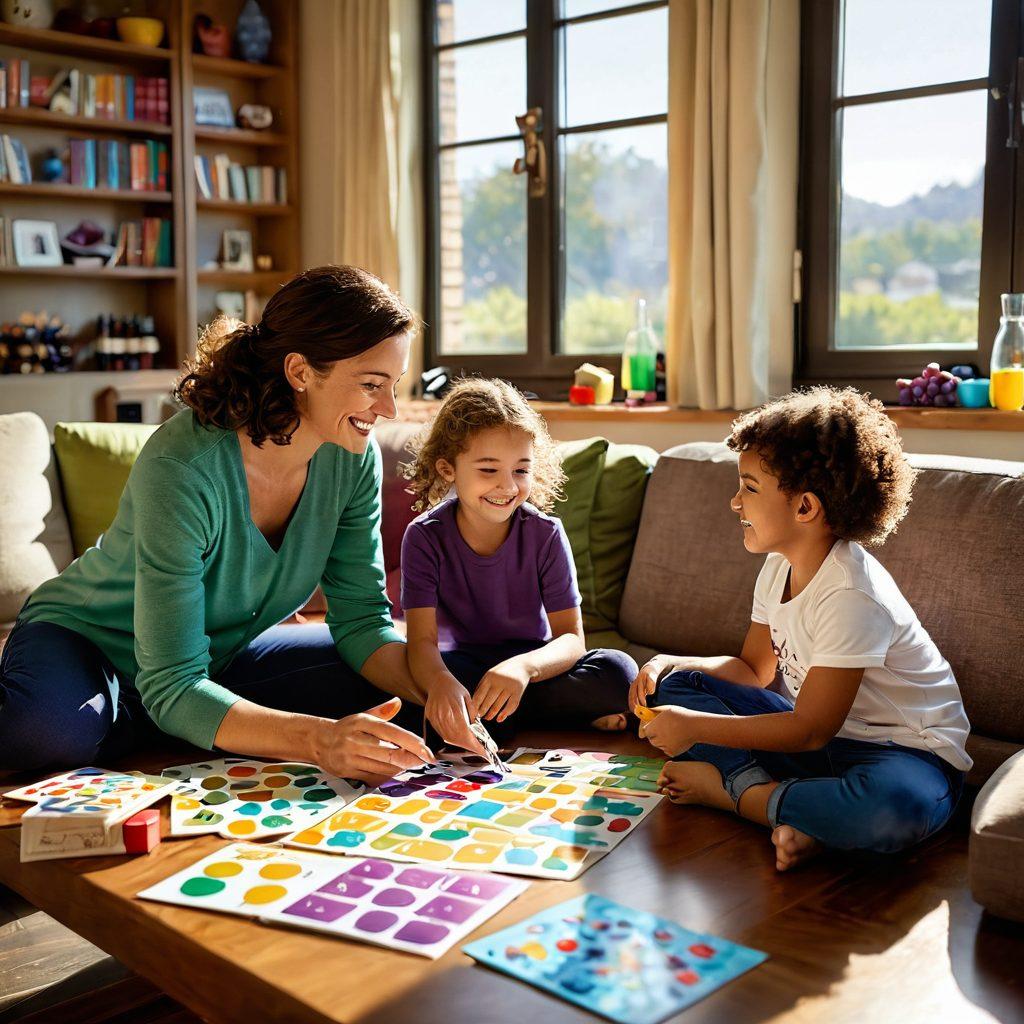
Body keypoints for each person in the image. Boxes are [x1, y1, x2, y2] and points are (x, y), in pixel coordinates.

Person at [1, 265, 434, 780]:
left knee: (408, 693)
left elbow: (362, 621)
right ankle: (151, 716)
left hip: (216, 658)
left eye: (394, 385)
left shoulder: (352, 456)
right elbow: (174, 678)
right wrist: (318, 741)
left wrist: (436, 687)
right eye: (371, 384)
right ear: (299, 372)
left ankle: (171, 721)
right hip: (90, 641)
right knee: (45, 733)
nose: (387, 408)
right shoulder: (182, 468)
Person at [629, 387, 971, 871]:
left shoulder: (851, 594)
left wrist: (695, 729)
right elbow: (752, 670)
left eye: (749, 487)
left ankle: (738, 795)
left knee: (891, 813)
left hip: (905, 758)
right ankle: (805, 821)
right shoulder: (777, 566)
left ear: (805, 508)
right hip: (824, 749)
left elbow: (809, 730)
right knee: (682, 686)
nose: (734, 502)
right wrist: (670, 664)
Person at [400, 377, 637, 753]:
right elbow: (422, 642)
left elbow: (572, 640)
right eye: (488, 470)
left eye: (521, 470)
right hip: (463, 667)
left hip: (534, 667)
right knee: (412, 682)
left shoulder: (545, 534)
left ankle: (489, 721)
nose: (507, 486)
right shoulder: (424, 536)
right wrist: (441, 684)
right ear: (448, 469)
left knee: (618, 671)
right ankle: (515, 717)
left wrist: (522, 669)